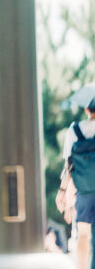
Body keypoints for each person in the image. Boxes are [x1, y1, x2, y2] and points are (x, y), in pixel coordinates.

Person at [58, 98, 95, 269]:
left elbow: (68, 165)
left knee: (83, 236)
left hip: (84, 191)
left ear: (87, 109)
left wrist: (63, 191)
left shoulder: (74, 130)